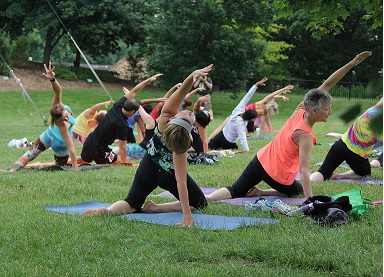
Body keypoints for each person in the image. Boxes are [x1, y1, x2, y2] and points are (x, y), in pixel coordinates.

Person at [205, 51, 372, 201]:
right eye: (327, 109)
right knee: (297, 190)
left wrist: (351, 64)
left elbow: (327, 84)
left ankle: (206, 198)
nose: (330, 112)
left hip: (260, 160)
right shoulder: (305, 135)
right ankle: (261, 192)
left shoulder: (300, 109)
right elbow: (305, 172)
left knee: (235, 190)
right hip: (275, 175)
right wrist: (311, 201)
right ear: (314, 111)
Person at [84, 64, 213, 227]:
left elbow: (179, 94)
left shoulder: (165, 117)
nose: (189, 113)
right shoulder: (180, 147)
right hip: (167, 174)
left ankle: (109, 211)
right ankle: (155, 208)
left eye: (187, 116)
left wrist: (191, 76)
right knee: (200, 203)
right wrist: (187, 215)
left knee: (131, 203)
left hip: (148, 166)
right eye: (188, 116)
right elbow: (180, 182)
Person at [6, 62, 78, 172]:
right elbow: (72, 149)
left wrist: (52, 79)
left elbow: (58, 90)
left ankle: (16, 169)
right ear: (58, 122)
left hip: (47, 135)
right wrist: (75, 169)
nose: (68, 118)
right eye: (65, 118)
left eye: (66, 116)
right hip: (60, 145)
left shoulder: (57, 107)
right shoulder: (62, 126)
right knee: (57, 166)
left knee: (30, 154)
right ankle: (12, 171)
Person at [80, 74, 162, 164]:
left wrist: (148, 80)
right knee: (116, 160)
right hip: (100, 150)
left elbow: (134, 92)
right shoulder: (122, 124)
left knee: (83, 159)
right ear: (133, 112)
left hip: (90, 140)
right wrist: (124, 162)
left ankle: (65, 163)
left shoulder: (118, 105)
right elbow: (122, 147)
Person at [310, 97, 382, 181]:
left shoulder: (373, 110)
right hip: (357, 156)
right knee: (365, 173)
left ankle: (308, 181)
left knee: (323, 172)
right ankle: (339, 176)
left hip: (340, 145)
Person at [207, 77, 270, 152]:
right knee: (208, 148)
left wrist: (256, 85)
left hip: (221, 136)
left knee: (211, 146)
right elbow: (243, 138)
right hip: (227, 142)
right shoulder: (240, 124)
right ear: (250, 119)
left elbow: (247, 96)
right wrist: (246, 149)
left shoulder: (238, 109)